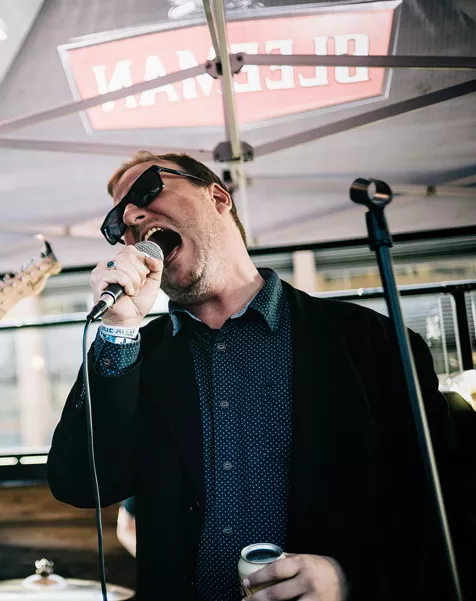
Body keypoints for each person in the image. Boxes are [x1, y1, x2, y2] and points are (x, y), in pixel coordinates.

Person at [46, 151, 475, 601]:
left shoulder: (372, 342)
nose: (130, 219)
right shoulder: (137, 355)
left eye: (147, 190)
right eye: (117, 225)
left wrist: (353, 577)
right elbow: (79, 482)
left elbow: (450, 504)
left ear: (218, 197)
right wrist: (117, 329)